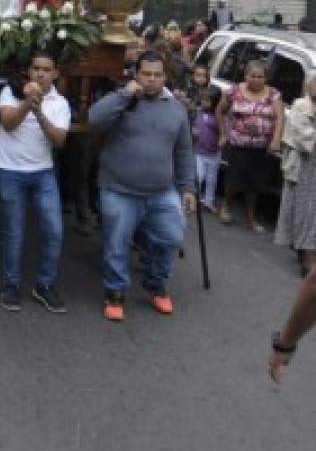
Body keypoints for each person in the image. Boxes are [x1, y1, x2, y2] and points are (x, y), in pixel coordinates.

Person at [89, 51, 196, 322]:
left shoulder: (176, 109)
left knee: (172, 237)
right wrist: (125, 94)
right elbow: (94, 119)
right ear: (136, 75)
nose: (150, 80)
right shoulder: (120, 101)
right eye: (145, 74)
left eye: (156, 75)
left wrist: (188, 188)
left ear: (165, 77)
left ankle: (155, 284)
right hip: (118, 188)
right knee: (117, 243)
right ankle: (115, 293)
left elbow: (184, 152)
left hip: (161, 191)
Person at [0, 52, 71, 313]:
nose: (40, 74)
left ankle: (44, 285)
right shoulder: (9, 92)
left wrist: (39, 112)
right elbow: (8, 122)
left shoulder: (60, 103)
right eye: (36, 68)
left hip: (42, 172)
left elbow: (59, 139)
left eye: (46, 70)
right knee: (14, 232)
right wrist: (28, 102)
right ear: (29, 71)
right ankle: (11, 285)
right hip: (9, 169)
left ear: (55, 74)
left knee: (54, 231)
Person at [216, 60, 283, 231]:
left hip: (262, 147)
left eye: (260, 76)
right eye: (252, 76)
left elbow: (279, 118)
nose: (256, 79)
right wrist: (224, 133)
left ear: (266, 78)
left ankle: (251, 218)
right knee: (235, 180)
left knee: (255, 184)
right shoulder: (234, 91)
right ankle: (225, 205)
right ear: (246, 76)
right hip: (238, 145)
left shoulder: (273, 94)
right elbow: (220, 111)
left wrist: (275, 140)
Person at [275, 73, 316, 278]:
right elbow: (304, 138)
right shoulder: (301, 106)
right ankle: (307, 254)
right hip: (303, 165)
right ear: (308, 86)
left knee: (311, 212)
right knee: (304, 210)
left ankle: (305, 249)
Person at [193, 85, 223, 214]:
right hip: (199, 151)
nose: (204, 102)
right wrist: (193, 130)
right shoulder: (199, 111)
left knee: (212, 179)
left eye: (208, 100)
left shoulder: (218, 116)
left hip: (214, 153)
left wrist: (223, 139)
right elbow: (194, 124)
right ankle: (193, 198)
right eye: (203, 99)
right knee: (199, 176)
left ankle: (208, 201)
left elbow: (223, 130)